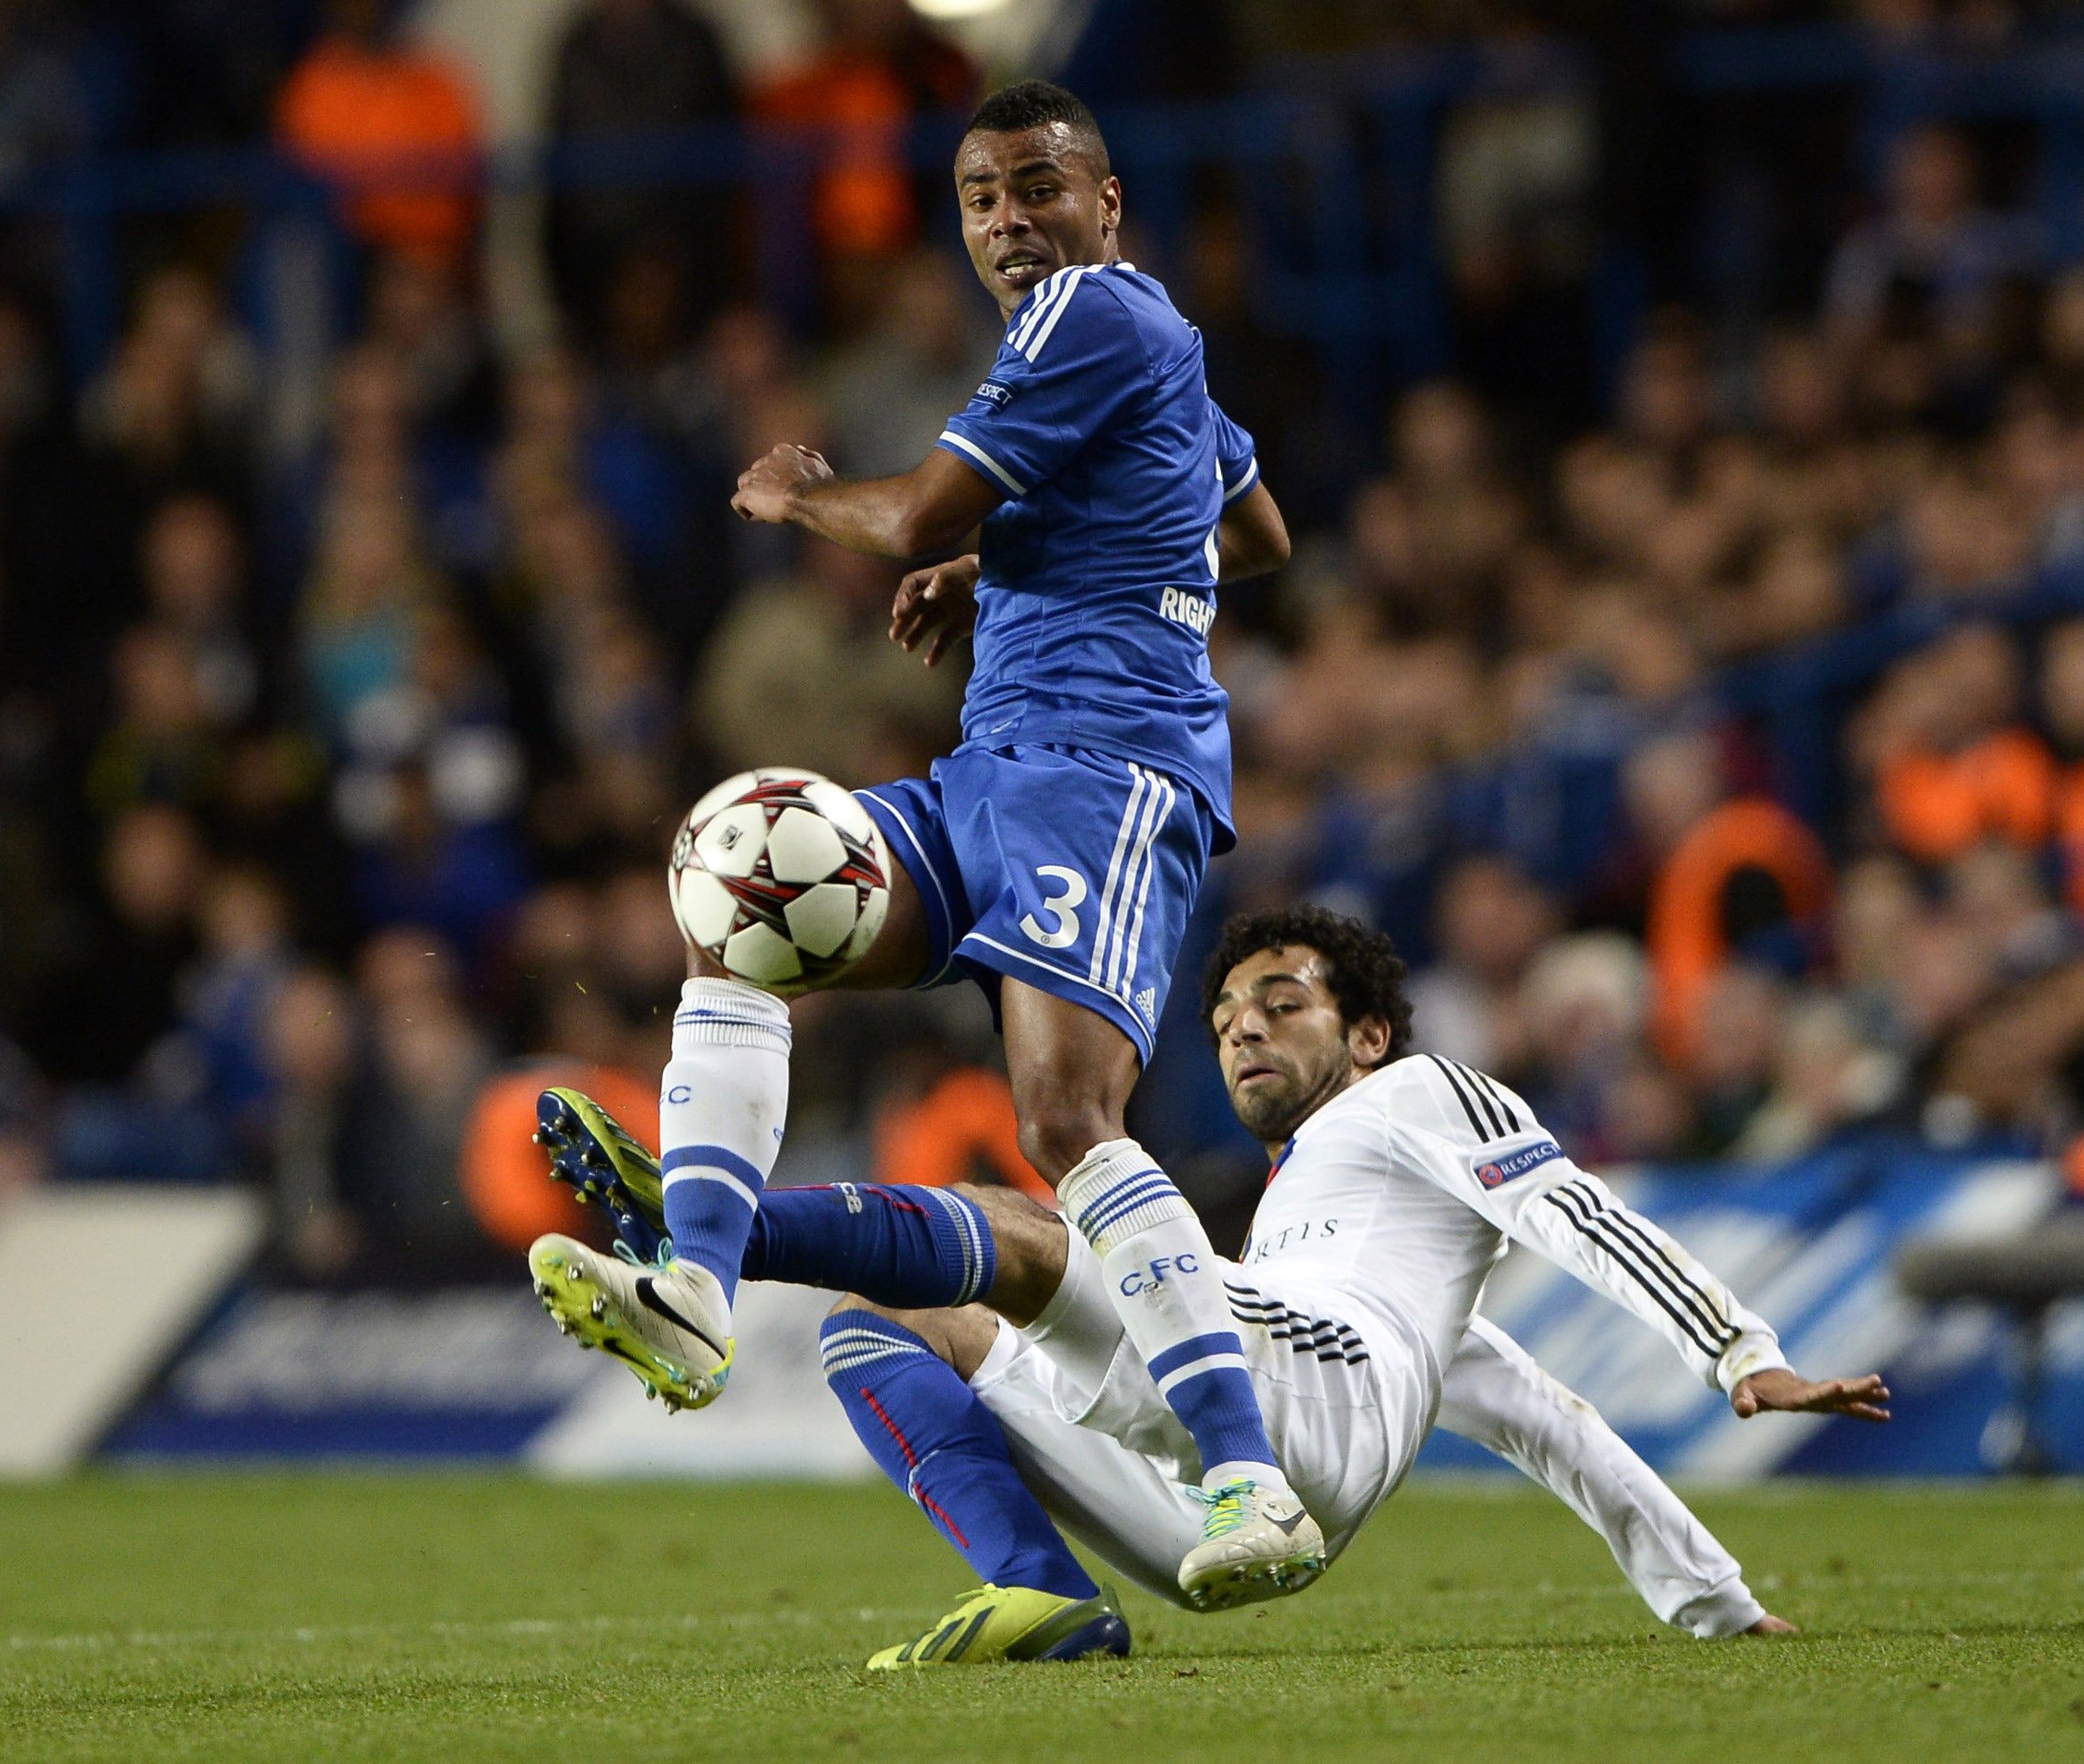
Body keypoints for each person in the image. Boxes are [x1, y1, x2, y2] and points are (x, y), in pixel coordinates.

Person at [524, 79, 1315, 1611]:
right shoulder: (1151, 347)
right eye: (979, 200)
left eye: (1037, 188)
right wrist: (1005, 567)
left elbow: (895, 517)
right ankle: (694, 1286)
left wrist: (809, 501)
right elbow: (1258, 534)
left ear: (1107, 206)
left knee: (1067, 1125)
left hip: (1107, 771)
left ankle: (1250, 1479)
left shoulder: (1089, 314)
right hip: (987, 769)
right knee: (737, 879)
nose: (1009, 224)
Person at [528, 904, 1886, 1665]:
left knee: (1040, 1229)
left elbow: (1570, 1207)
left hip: (1307, 1397)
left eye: (1281, 1005)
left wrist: (1736, 1349)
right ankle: (1045, 1596)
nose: (1244, 1027)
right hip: (1225, 1485)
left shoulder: (1422, 1089)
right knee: (886, 1325)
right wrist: (1715, 1603)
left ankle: (709, 1232)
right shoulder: (1337, 1229)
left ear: (1364, 1031)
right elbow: (1549, 1421)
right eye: (1227, 1017)